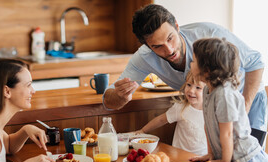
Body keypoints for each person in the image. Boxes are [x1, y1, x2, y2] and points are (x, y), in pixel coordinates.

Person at [103, 4, 266, 131]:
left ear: (176, 26)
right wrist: (120, 97)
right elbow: (108, 100)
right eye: (157, 46)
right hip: (212, 112)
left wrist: (243, 110)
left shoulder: (209, 33)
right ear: (147, 46)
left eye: (170, 38)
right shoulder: (144, 57)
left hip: (248, 99)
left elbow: (255, 63)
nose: (169, 50)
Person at [189, 38, 268, 162]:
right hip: (230, 158)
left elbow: (227, 134)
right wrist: (211, 155)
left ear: (207, 70)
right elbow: (208, 125)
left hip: (243, 159)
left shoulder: (224, 95)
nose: (190, 63)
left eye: (194, 61)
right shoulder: (207, 90)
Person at [135, 72, 207, 155]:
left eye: (198, 87)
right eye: (189, 85)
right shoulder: (180, 108)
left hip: (202, 159)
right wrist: (143, 130)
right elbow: (161, 120)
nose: (191, 90)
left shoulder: (211, 112)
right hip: (180, 157)